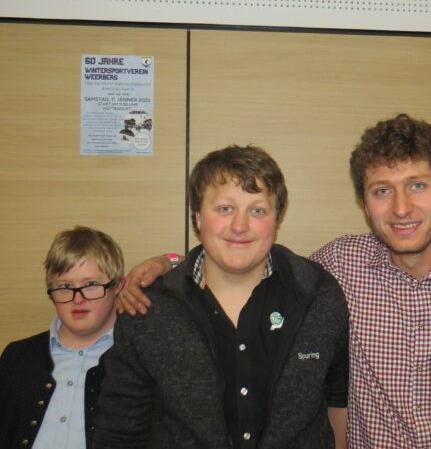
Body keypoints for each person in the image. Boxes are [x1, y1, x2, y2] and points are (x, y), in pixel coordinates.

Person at [117, 115, 431, 448]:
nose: (401, 208)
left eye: (417, 185)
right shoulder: (339, 265)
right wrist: (170, 265)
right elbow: (246, 255)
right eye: (382, 191)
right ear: (365, 203)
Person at [93, 145, 349, 449]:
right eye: (225, 209)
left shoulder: (319, 294)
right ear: (198, 217)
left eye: (257, 210)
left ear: (276, 220)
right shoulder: (147, 307)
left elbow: (337, 399)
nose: (240, 226)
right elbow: (122, 430)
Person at [0, 225, 125, 449]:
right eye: (65, 286)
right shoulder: (17, 357)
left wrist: (165, 261)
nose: (78, 299)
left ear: (118, 286)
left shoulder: (137, 357)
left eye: (91, 284)